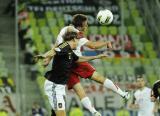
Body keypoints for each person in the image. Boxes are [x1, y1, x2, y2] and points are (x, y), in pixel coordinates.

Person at [38, 14, 130, 116]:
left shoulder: (64, 30)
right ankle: (122, 94)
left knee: (79, 90)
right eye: (85, 25)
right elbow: (93, 46)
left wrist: (48, 58)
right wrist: (106, 42)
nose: (87, 27)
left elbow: (56, 46)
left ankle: (94, 112)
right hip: (75, 62)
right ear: (80, 26)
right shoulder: (77, 35)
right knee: (98, 78)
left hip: (67, 61)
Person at [43, 31, 107, 116]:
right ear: (73, 39)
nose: (78, 44)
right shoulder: (64, 45)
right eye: (78, 41)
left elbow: (79, 59)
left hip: (60, 87)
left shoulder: (69, 51)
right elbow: (55, 50)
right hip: (54, 85)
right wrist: (44, 55)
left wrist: (96, 57)